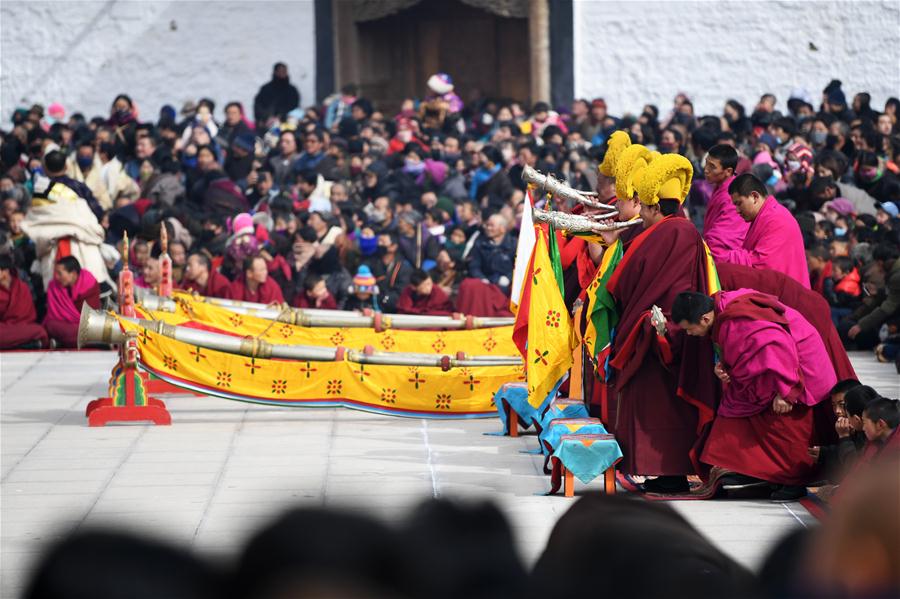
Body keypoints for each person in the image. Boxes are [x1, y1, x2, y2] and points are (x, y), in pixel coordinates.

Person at [605, 154, 718, 493]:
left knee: (659, 406)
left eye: (645, 209)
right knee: (665, 407)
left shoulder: (667, 233)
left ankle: (669, 471)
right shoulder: (684, 230)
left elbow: (622, 282)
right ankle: (666, 471)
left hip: (663, 333)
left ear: (654, 206)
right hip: (670, 327)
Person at [672, 289, 838, 501]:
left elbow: (778, 346)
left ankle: (793, 479)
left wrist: (787, 391)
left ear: (704, 318)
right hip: (781, 367)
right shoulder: (723, 308)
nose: (689, 334)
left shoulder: (738, 319)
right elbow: (749, 349)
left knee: (783, 424)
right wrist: (725, 367)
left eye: (690, 329)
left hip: (797, 370)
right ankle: (757, 472)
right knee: (736, 407)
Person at [719, 173, 811, 288]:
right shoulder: (765, 216)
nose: (737, 210)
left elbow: (763, 264)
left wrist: (723, 258)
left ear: (754, 197)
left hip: (788, 296)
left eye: (739, 203)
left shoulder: (777, 219)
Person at [843, 243, 899, 350]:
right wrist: (879, 292)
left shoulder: (896, 276)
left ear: (881, 262)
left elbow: (887, 308)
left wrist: (861, 325)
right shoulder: (894, 273)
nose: (877, 268)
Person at [701, 144, 749, 260]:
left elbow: (722, 238)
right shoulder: (721, 187)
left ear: (728, 171)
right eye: (706, 163)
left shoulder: (733, 197)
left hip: (723, 258)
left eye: (712, 166)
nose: (706, 169)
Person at [44, 256, 101, 348]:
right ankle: (95, 341)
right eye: (56, 273)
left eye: (60, 273)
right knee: (51, 325)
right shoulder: (54, 286)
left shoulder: (89, 284)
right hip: (65, 325)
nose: (57, 277)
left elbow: (91, 316)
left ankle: (64, 342)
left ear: (73, 274)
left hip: (86, 325)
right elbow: (53, 315)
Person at [0, 254, 49, 349]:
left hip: (21, 327)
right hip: (3, 328)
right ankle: (26, 343)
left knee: (39, 330)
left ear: (5, 272)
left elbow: (29, 316)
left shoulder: (22, 287)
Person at [367, 232, 412, 313]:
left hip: (393, 310)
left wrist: (384, 299)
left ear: (393, 247)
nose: (379, 244)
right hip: (372, 306)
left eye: (383, 242)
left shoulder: (404, 267)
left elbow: (401, 291)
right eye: (378, 241)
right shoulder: (372, 263)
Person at [253, 62, 300, 130]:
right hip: (266, 124)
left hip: (286, 125)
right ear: (275, 72)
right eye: (280, 71)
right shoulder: (265, 89)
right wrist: (267, 118)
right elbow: (258, 106)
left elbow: (294, 107)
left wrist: (280, 117)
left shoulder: (292, 91)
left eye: (284, 71)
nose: (282, 74)